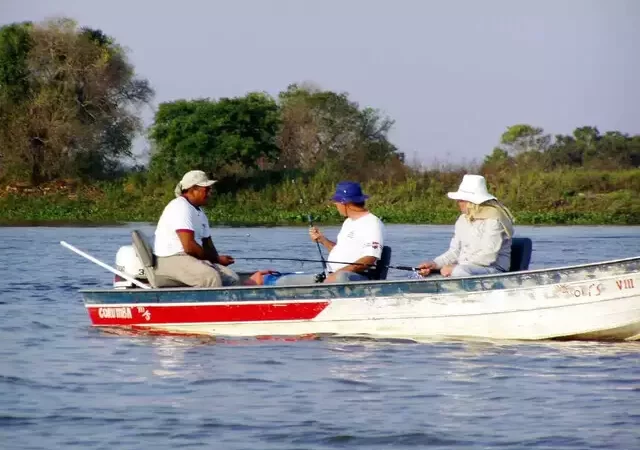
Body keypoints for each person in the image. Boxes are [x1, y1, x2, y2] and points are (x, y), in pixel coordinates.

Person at [276, 181, 385, 285]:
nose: (335, 204)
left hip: (353, 278)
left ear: (345, 203)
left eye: (337, 201)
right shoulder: (348, 222)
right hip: (331, 276)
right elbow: (339, 252)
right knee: (283, 282)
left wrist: (339, 273)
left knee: (340, 277)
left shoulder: (372, 223)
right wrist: (322, 240)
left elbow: (370, 258)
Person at [153, 170, 241, 288]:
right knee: (210, 277)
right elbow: (189, 246)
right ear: (193, 189)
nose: (210, 193)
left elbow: (207, 244)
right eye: (206, 190)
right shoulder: (180, 206)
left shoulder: (199, 212)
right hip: (170, 259)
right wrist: (216, 259)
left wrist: (217, 260)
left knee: (232, 279)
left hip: (188, 258)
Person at [417, 174, 515, 278]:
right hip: (466, 268)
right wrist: (434, 264)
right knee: (429, 275)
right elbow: (454, 252)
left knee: (459, 272)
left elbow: (487, 256)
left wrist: (455, 267)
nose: (457, 202)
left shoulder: (494, 219)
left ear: (472, 202)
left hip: (493, 269)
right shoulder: (462, 220)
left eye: (461, 200)